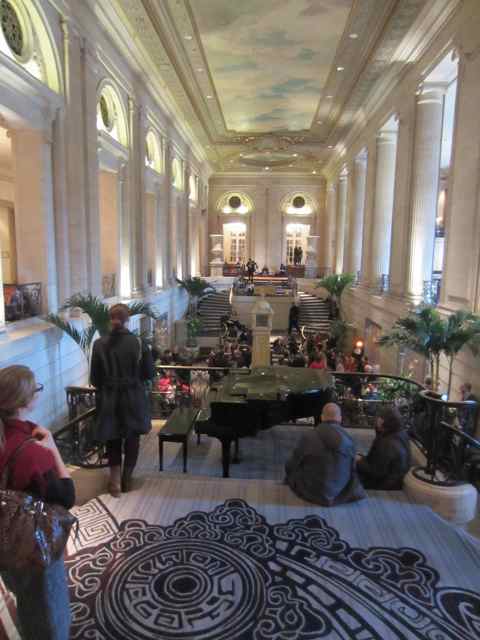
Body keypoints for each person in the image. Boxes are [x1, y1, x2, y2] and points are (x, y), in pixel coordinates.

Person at [0, 365, 75, 640]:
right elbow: (67, 496)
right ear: (24, 402)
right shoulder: (33, 453)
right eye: (37, 389)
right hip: (33, 546)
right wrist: (54, 449)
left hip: (5, 541)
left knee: (23, 595)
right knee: (48, 611)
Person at [90, 303, 155, 497]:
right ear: (128, 320)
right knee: (132, 438)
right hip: (133, 396)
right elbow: (149, 373)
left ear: (110, 319)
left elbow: (95, 379)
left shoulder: (99, 344)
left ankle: (115, 480)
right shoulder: (139, 343)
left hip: (110, 398)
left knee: (113, 439)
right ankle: (127, 478)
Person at [285, 403, 365, 506]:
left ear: (322, 417)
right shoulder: (348, 439)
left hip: (313, 492)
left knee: (292, 469)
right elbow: (352, 469)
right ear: (340, 418)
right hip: (340, 493)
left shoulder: (308, 436)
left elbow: (292, 464)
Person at [357, 408, 411, 490]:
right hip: (395, 480)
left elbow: (376, 471)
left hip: (385, 483)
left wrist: (358, 461)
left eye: (379, 420)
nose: (376, 422)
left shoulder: (386, 443)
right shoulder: (400, 433)